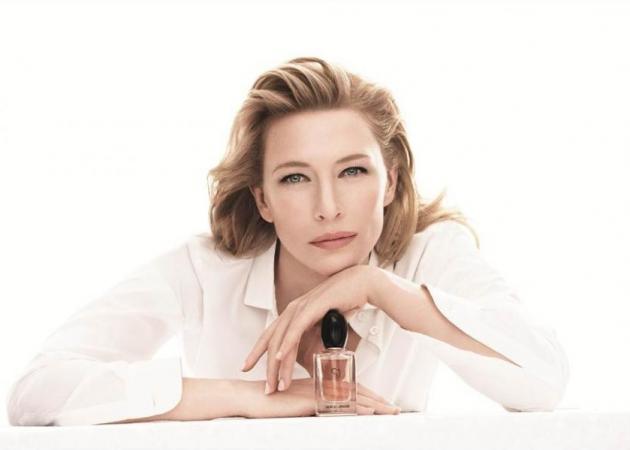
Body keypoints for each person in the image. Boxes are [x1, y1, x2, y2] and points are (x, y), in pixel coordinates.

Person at [6, 56, 569, 426]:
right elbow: (36, 391)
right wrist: (244, 398)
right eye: (295, 178)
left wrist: (378, 287)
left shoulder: (429, 254)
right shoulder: (203, 270)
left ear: (391, 182)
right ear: (263, 200)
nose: (328, 206)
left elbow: (544, 381)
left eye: (353, 171)